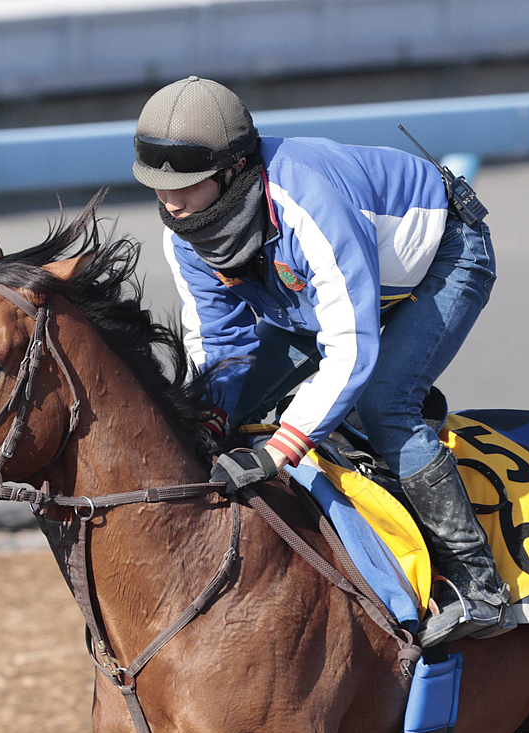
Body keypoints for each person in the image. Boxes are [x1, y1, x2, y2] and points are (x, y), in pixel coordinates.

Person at [133, 75, 508, 647]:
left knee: (384, 402)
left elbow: (351, 347)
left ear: (234, 171)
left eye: (186, 184)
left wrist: (280, 451)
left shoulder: (307, 200)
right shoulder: (183, 235)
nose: (170, 202)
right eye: (158, 186)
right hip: (318, 296)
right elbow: (222, 346)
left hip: (447, 258)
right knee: (228, 412)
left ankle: (479, 583)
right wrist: (208, 422)